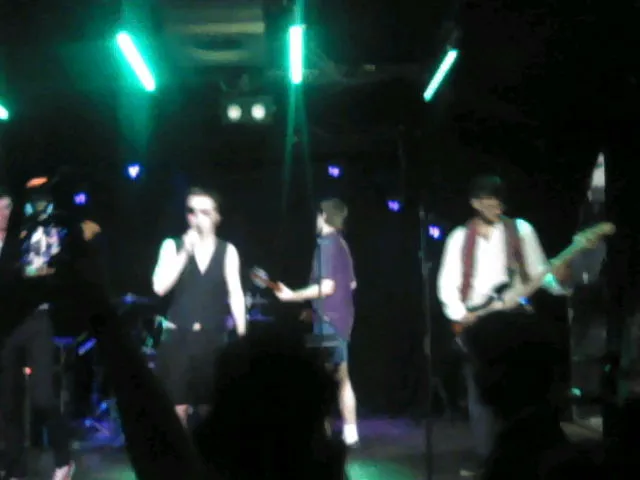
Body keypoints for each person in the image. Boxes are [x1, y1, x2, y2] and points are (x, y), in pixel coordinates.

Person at [437, 175, 569, 476]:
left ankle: (529, 457)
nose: (494, 207)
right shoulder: (459, 237)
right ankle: (487, 458)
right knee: (480, 391)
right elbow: (446, 283)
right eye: (487, 201)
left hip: (516, 320)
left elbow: (539, 273)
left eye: (498, 202)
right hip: (478, 323)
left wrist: (559, 279)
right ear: (474, 203)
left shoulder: (520, 230)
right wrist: (460, 314)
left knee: (524, 388)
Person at [152, 187, 246, 427]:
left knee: (210, 409)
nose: (197, 218)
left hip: (212, 339)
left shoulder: (227, 251)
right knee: (177, 409)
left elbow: (236, 294)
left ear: (217, 217)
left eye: (205, 212)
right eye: (191, 211)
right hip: (178, 338)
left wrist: (243, 336)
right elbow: (160, 287)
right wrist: (185, 251)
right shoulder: (172, 246)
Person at [0, 187, 75, 480]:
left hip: (36, 321)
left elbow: (48, 274)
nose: (2, 214)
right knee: (8, 402)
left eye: (7, 207)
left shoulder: (34, 235)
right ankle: (15, 469)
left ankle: (63, 458)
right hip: (6, 327)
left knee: (42, 396)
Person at [274, 198, 359, 447]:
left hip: (329, 323)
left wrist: (292, 296)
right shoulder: (342, 245)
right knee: (341, 377)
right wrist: (316, 309)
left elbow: (327, 286)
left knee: (321, 379)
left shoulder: (327, 245)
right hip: (338, 321)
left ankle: (321, 436)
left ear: (323, 216)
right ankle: (350, 433)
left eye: (318, 215)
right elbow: (351, 284)